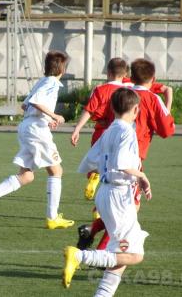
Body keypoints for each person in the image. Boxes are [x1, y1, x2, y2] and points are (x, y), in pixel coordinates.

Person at [77, 58, 175, 251]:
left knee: (121, 210)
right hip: (131, 159)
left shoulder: (122, 93)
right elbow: (167, 130)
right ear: (153, 78)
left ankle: (91, 229)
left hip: (108, 152)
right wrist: (167, 107)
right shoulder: (151, 99)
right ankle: (102, 254)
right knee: (128, 211)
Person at [62, 87, 153, 296]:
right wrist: (141, 176)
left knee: (120, 255)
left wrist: (110, 170)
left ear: (112, 108)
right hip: (119, 196)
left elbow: (89, 162)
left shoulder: (110, 129)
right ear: (136, 110)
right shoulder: (127, 131)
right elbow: (122, 164)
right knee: (134, 254)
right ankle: (79, 257)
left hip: (106, 192)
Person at [0, 50, 74, 230]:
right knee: (56, 171)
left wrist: (47, 119)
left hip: (28, 126)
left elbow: (25, 105)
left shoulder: (42, 81)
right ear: (62, 69)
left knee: (26, 176)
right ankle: (52, 218)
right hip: (36, 129)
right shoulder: (52, 83)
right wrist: (54, 116)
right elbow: (36, 102)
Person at [71, 58, 128, 202]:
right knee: (116, 168)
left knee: (99, 162)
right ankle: (100, 208)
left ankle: (94, 176)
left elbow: (89, 110)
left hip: (101, 133)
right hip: (120, 134)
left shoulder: (100, 90)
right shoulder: (128, 92)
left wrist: (77, 129)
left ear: (108, 73)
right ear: (125, 74)